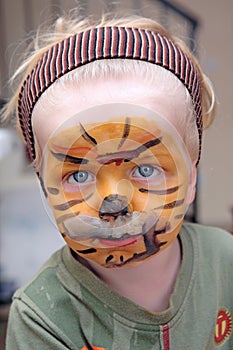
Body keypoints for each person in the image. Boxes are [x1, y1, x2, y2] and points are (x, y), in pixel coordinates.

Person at [1, 9, 233, 350]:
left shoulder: (226, 262)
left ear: (192, 176)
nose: (114, 205)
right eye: (79, 174)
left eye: (145, 169)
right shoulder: (41, 316)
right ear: (43, 187)